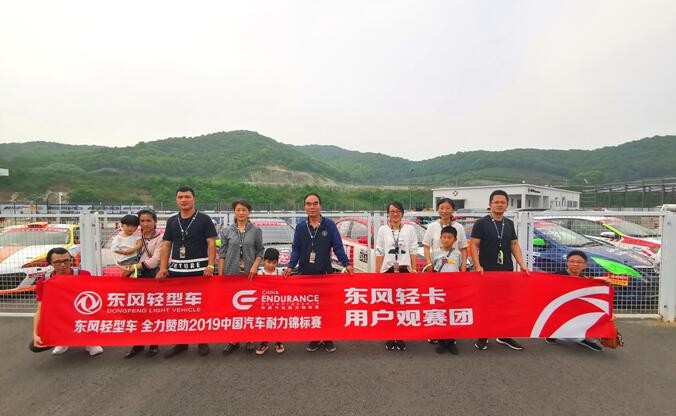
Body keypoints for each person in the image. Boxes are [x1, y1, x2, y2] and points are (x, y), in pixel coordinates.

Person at [283, 193, 353, 353]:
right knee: (311, 309)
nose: (312, 207)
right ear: (304, 207)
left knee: (326, 308)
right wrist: (290, 266)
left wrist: (346, 264)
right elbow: (296, 248)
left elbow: (338, 246)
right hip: (306, 275)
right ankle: (314, 337)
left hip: (325, 274)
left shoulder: (330, 226)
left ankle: (327, 337)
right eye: (308, 204)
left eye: (315, 203)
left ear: (320, 206)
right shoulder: (301, 227)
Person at [157, 186, 218, 358]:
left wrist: (211, 265)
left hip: (200, 271)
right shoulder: (172, 221)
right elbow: (166, 245)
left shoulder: (204, 219)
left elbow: (211, 243)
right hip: (177, 272)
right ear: (176, 200)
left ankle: (202, 341)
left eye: (187, 197)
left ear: (194, 199)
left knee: (201, 308)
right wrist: (163, 268)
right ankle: (181, 343)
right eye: (180, 197)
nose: (184, 200)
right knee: (180, 309)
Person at [470, 189, 529, 351]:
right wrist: (477, 265)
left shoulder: (509, 223)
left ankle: (504, 335)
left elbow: (514, 244)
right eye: (496, 202)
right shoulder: (481, 223)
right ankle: (483, 335)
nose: (499, 205)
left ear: (507, 205)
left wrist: (522, 264)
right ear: (490, 204)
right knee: (486, 304)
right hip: (486, 270)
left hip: (506, 271)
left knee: (505, 304)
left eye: (502, 202)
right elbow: (474, 244)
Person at [32, 247, 103, 356]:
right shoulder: (44, 281)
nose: (63, 265)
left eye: (66, 261)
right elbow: (40, 308)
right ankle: (62, 341)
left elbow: (95, 298)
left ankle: (90, 341)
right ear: (50, 263)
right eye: (57, 262)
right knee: (35, 345)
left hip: (81, 310)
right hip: (59, 314)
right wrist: (35, 334)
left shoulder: (83, 275)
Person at [220, 200, 264, 355]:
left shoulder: (256, 230)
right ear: (234, 212)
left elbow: (260, 250)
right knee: (232, 308)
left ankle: (249, 337)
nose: (241, 213)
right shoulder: (226, 231)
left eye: (244, 210)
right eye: (238, 210)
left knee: (249, 307)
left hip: (249, 275)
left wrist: (255, 266)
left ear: (249, 212)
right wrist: (221, 275)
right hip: (231, 273)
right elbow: (222, 254)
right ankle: (234, 339)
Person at [375, 201, 418, 352]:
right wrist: (377, 273)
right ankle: (390, 335)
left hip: (405, 270)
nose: (395, 214)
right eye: (392, 211)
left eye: (398, 211)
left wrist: (414, 269)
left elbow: (413, 249)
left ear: (402, 213)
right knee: (389, 305)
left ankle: (400, 336)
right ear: (388, 213)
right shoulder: (383, 230)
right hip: (388, 271)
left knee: (402, 305)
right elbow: (379, 251)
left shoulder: (409, 229)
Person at [121, 209, 164, 358]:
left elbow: (155, 260)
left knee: (152, 311)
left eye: (149, 221)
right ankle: (137, 344)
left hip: (150, 277)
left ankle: (154, 343)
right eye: (142, 221)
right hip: (134, 278)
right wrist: (125, 266)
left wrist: (132, 267)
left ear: (155, 221)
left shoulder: (161, 237)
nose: (145, 224)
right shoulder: (134, 236)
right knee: (136, 311)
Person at [546, 250, 606, 352]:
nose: (575, 264)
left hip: (575, 311)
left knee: (599, 315)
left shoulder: (585, 279)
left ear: (585, 265)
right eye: (572, 261)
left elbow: (593, 294)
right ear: (567, 263)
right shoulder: (558, 275)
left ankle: (585, 338)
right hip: (558, 310)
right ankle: (554, 334)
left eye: (579, 262)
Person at [430, 226, 462, 355]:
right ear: (440, 238)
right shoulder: (435, 253)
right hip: (439, 289)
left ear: (455, 240)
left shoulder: (458, 254)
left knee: (452, 314)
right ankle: (441, 341)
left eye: (450, 238)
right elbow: (433, 270)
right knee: (441, 313)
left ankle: (451, 341)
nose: (446, 240)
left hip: (454, 288)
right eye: (444, 237)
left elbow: (460, 268)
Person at [253, 248, 285, 355]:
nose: (271, 265)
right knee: (265, 323)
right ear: (263, 261)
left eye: (274, 262)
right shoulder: (259, 273)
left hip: (277, 304)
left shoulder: (280, 273)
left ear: (277, 262)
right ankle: (264, 342)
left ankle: (278, 342)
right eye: (268, 262)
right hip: (263, 305)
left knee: (277, 323)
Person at [423, 197, 467, 272]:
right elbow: (426, 247)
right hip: (437, 268)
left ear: (452, 210)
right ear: (438, 209)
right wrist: (429, 263)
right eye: (442, 208)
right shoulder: (432, 227)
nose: (444, 211)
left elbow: (463, 248)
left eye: (448, 208)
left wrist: (463, 265)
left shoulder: (459, 227)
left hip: (454, 267)